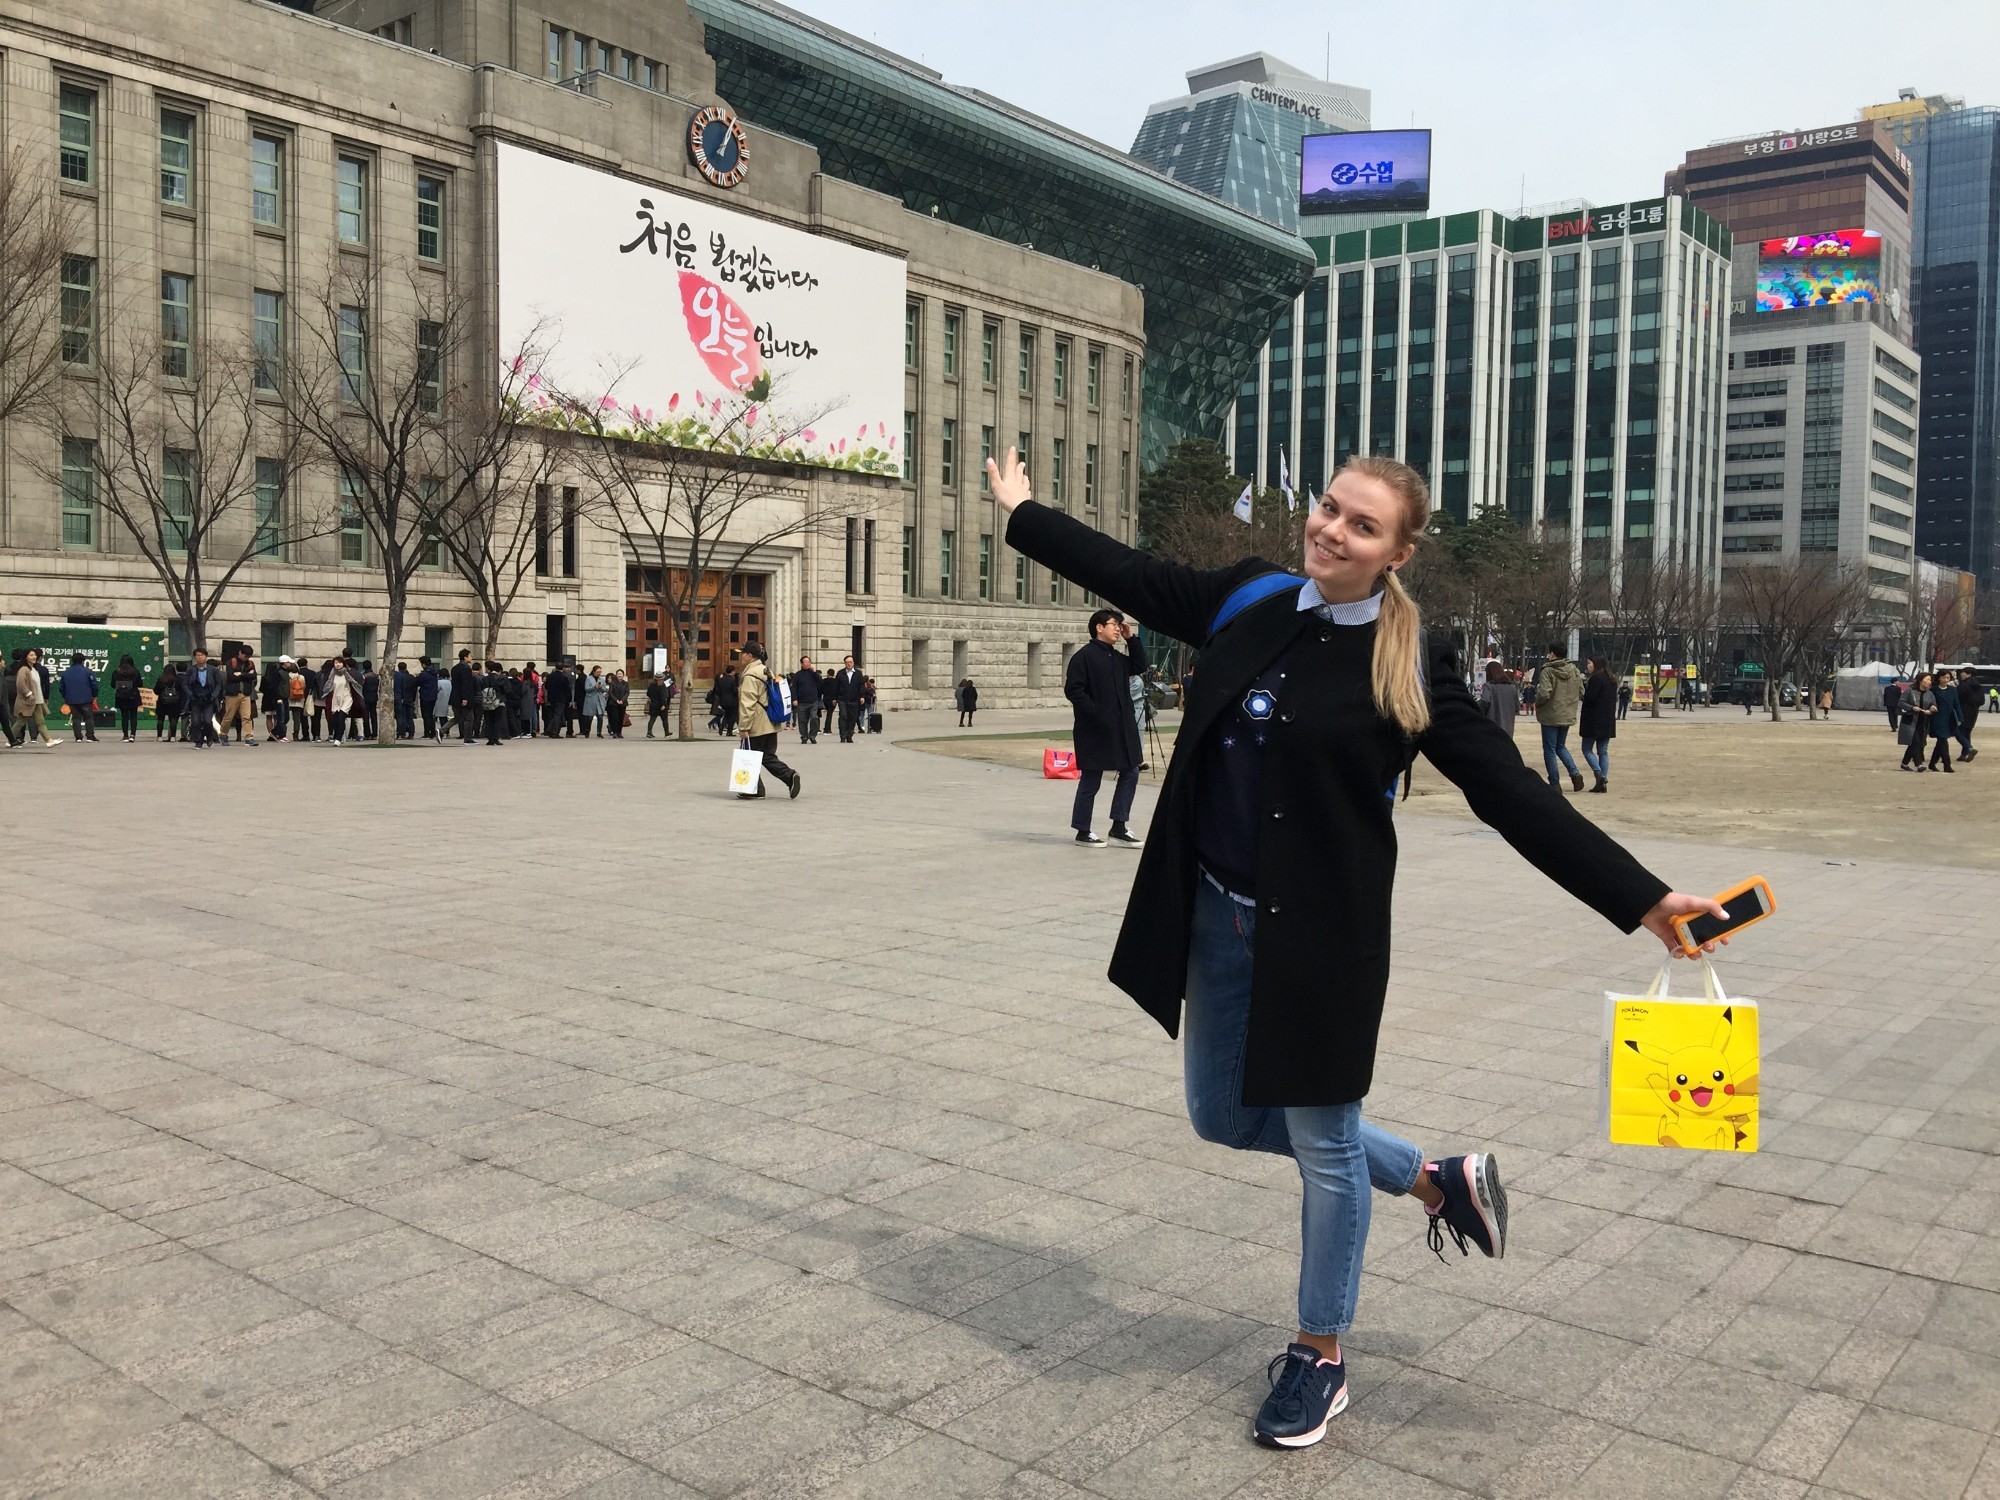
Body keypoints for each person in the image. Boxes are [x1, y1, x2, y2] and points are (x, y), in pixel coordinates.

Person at [987, 444, 1725, 1451]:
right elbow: (1132, 573)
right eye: (1329, 509)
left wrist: (1639, 898)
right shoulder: (1248, 598)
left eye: (1361, 525)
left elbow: (1507, 796)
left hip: (1319, 940)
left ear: (1398, 552)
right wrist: (1025, 510)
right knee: (1219, 1117)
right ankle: (1436, 1178)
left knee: (1323, 1150)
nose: (1332, 531)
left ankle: (1317, 1359)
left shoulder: (1409, 661)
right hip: (1208, 913)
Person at [1065, 607, 1149, 847]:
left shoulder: (1117, 658)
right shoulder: (1084, 657)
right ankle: (1083, 830)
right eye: (1114, 624)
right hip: (1095, 729)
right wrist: (1095, 713)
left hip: (1122, 728)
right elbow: (1074, 690)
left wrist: (1131, 638)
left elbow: (1139, 664)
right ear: (1099, 627)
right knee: (1091, 778)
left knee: (1131, 771)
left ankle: (1119, 826)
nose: (1117, 628)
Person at [735, 640, 801, 798]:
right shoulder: (766, 670)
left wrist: (744, 727)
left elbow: (748, 703)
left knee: (750, 754)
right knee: (767, 755)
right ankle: (785, 778)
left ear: (750, 656)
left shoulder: (750, 674)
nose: (741, 657)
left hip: (757, 723)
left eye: (743, 653)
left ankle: (755, 789)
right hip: (771, 720)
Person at [1534, 644, 1584, 791]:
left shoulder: (1548, 670)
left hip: (1550, 715)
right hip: (1567, 714)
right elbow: (1581, 690)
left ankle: (1555, 783)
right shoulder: (1574, 670)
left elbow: (1544, 693)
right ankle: (1574, 773)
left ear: (1553, 654)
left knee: (1549, 750)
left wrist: (1538, 703)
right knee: (1560, 746)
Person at [1579, 654, 1617, 794]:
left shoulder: (1596, 679)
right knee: (1603, 751)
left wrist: (1583, 692)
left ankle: (1599, 774)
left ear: (1596, 664)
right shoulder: (1612, 680)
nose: (1588, 666)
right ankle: (1602, 782)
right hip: (1607, 720)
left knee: (1587, 749)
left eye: (1589, 663)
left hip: (1593, 720)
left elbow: (1590, 698)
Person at [15, 648, 56, 746]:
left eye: (34, 655)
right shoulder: (24, 669)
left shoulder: (33, 669)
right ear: (26, 657)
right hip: (28, 701)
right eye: (31, 655)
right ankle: (10, 739)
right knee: (21, 721)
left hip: (36, 701)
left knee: (40, 722)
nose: (34, 657)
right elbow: (20, 683)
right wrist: (29, 694)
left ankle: (49, 740)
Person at [183, 648, 222, 748]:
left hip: (209, 699)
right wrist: (190, 694)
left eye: (201, 655)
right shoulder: (191, 669)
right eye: (197, 655)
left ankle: (209, 736)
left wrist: (214, 695)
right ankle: (198, 741)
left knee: (207, 721)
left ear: (206, 656)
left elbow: (218, 684)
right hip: (195, 699)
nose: (199, 657)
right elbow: (185, 684)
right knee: (195, 721)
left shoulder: (213, 670)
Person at [1899, 671, 1937, 772]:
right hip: (1911, 721)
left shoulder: (1930, 693)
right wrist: (1912, 707)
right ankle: (1919, 764)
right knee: (1915, 741)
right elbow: (1901, 703)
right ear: (1921, 680)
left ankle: (1904, 763)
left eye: (1930, 680)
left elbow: (1933, 704)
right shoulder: (1910, 691)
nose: (1929, 682)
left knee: (1916, 743)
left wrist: (1932, 708)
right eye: (1927, 680)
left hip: (1923, 721)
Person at [59, 651, 100, 742]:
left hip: (72, 700)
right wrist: (94, 695)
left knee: (76, 718)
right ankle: (90, 736)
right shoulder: (88, 672)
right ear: (83, 661)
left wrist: (66, 697)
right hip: (86, 699)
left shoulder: (66, 673)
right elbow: (94, 685)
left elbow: (62, 688)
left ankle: (78, 737)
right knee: (88, 718)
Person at [1929, 668, 1962, 773]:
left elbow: (1957, 705)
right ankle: (1947, 765)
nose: (1946, 679)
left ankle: (1932, 763)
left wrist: (1960, 718)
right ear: (1939, 678)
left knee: (1941, 742)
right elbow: (1929, 703)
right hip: (1937, 718)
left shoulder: (1953, 690)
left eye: (1948, 677)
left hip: (1949, 718)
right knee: (1943, 740)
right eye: (1944, 677)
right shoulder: (1933, 690)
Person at [221, 650, 257, 744]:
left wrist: (241, 674)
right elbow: (230, 677)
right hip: (232, 693)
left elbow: (253, 676)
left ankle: (249, 737)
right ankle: (223, 734)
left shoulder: (250, 663)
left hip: (245, 693)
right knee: (229, 716)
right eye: (245, 656)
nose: (246, 658)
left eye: (248, 656)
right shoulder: (231, 662)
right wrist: (247, 675)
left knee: (246, 716)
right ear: (240, 653)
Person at [1482, 662, 1519, 742]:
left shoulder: (1488, 686)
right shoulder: (1512, 688)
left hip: (1491, 729)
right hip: (1508, 730)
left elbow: (1485, 702)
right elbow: (1517, 708)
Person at [111, 654, 145, 742]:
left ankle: (125, 735)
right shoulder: (135, 671)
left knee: (124, 716)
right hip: (133, 696)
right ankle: (132, 735)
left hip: (121, 696)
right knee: (133, 716)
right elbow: (140, 684)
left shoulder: (116, 672)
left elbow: (113, 685)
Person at [832, 654, 865, 742]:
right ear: (845, 663)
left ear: (853, 663)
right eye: (847, 662)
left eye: (850, 662)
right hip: (842, 699)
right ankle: (843, 735)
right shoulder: (840, 673)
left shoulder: (858, 673)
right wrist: (834, 698)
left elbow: (861, 685)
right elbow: (836, 686)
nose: (849, 664)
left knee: (852, 717)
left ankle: (849, 735)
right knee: (843, 716)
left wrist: (862, 696)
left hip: (854, 699)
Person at [450, 648, 479, 744]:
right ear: (465, 657)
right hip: (464, 697)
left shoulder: (454, 668)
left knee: (457, 718)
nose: (471, 658)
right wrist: (465, 698)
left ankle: (441, 731)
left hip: (455, 697)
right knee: (469, 718)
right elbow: (465, 685)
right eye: (470, 656)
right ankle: (468, 738)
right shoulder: (466, 669)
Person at [261, 655, 291, 741]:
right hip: (279, 697)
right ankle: (280, 735)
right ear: (284, 663)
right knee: (280, 718)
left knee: (285, 717)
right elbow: (275, 686)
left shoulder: (285, 672)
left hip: (284, 697)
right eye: (288, 662)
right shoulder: (278, 673)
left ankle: (274, 733)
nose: (289, 664)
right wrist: (278, 697)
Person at [154, 661, 183, 743]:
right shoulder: (177, 680)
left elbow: (156, 691)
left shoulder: (161, 679)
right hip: (174, 702)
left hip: (162, 701)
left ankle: (159, 737)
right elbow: (181, 690)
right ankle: (173, 737)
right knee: (173, 719)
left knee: (160, 719)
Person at [542, 662, 573, 737]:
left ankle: (550, 730)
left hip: (552, 698)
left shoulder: (550, 676)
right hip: (561, 699)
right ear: (562, 668)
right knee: (558, 715)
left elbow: (546, 687)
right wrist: (569, 700)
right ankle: (555, 732)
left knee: (553, 715)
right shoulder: (563, 677)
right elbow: (567, 690)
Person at [1956, 670, 1980, 762]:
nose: (1961, 674)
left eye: (1963, 673)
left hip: (1963, 711)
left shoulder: (1964, 685)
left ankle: (1970, 749)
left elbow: (1957, 696)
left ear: (1969, 674)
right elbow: (1981, 701)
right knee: (1967, 733)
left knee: (1958, 732)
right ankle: (1964, 754)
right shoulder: (1978, 686)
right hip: (1974, 712)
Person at [417, 657, 441, 740]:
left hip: (425, 696)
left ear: (424, 664)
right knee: (431, 715)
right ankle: (432, 732)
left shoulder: (424, 674)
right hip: (433, 696)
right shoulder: (434, 672)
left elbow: (418, 682)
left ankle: (427, 733)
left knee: (426, 715)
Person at [580, 666, 608, 737]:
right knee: (590, 717)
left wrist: (600, 687)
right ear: (594, 672)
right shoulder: (588, 678)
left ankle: (599, 732)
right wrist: (594, 687)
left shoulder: (602, 679)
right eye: (597, 672)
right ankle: (587, 731)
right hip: (591, 699)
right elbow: (586, 688)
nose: (599, 673)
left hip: (599, 699)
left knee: (600, 716)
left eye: (600, 672)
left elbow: (604, 689)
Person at [393, 661, 417, 739]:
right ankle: (411, 733)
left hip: (401, 698)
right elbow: (414, 689)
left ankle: (401, 733)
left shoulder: (397, 676)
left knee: (401, 716)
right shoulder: (411, 677)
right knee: (410, 717)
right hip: (410, 698)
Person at [646, 671, 673, 738]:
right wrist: (664, 704)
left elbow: (648, 694)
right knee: (665, 719)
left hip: (653, 704)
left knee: (652, 719)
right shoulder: (662, 686)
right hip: (661, 705)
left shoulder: (651, 686)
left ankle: (649, 732)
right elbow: (663, 696)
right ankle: (666, 732)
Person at [521, 662, 542, 738]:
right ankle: (534, 730)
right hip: (533, 697)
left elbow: (522, 690)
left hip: (526, 699)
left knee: (526, 715)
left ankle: (527, 731)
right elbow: (538, 687)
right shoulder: (536, 676)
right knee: (534, 714)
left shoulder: (523, 678)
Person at [606, 669, 630, 737]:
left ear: (623, 675)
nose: (619, 675)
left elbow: (627, 692)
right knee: (615, 718)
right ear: (616, 675)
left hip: (623, 703)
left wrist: (622, 700)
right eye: (618, 674)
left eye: (621, 674)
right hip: (614, 703)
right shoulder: (613, 683)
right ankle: (615, 732)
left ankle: (619, 732)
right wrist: (616, 700)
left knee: (621, 718)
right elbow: (610, 693)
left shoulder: (625, 683)